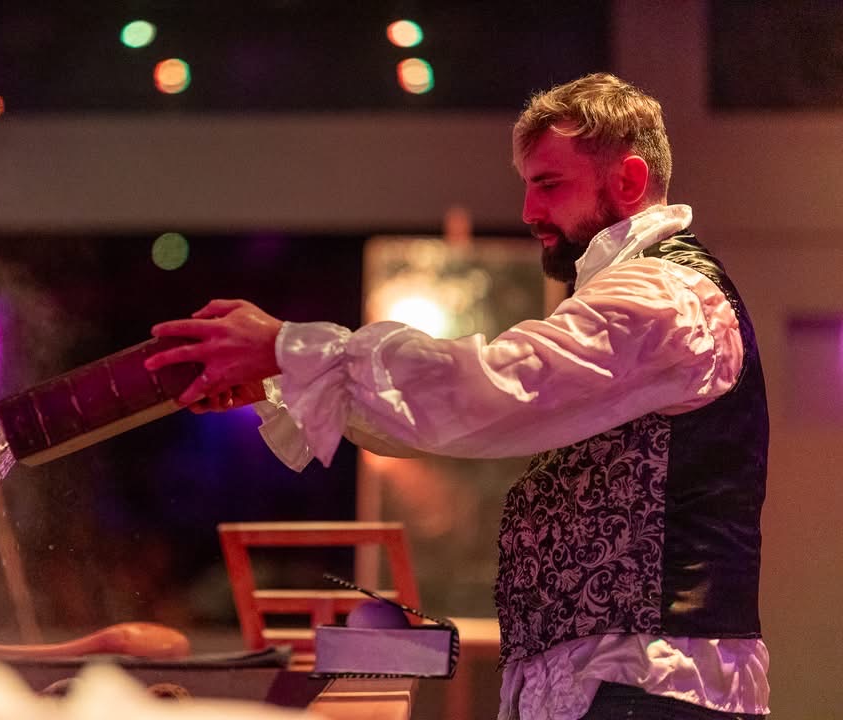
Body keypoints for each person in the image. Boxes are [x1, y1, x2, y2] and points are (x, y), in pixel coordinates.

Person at [144, 73, 769, 720]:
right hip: (621, 685)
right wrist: (282, 379)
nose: (528, 211)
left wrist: (288, 349)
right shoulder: (639, 293)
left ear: (629, 181)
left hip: (655, 686)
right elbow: (451, 410)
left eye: (549, 184)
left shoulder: (664, 298)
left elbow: (493, 385)